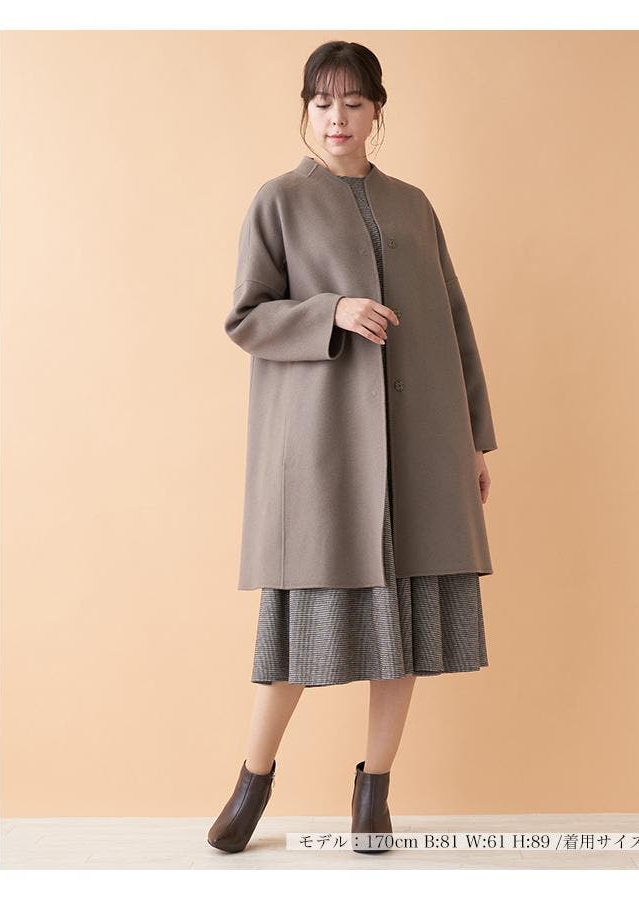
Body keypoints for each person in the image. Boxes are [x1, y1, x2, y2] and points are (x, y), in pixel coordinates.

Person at [209, 40, 497, 855]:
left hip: (419, 453)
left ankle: (374, 793)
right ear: (306, 108)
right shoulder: (279, 202)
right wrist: (330, 311)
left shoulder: (413, 205)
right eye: (322, 101)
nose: (337, 117)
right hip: (326, 458)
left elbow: (455, 325)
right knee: (299, 637)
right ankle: (253, 781)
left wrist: (474, 441)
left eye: (354, 102)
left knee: (404, 633)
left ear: (377, 110)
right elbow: (245, 318)